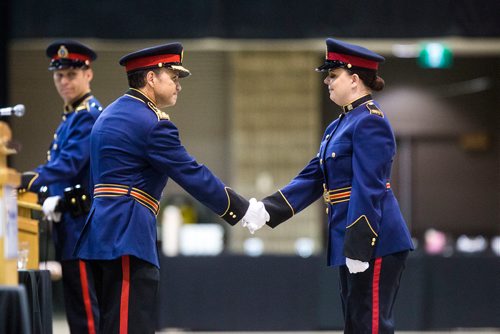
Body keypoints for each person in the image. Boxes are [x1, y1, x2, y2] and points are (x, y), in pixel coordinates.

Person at [73, 42, 268, 334]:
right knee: (129, 325)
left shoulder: (111, 114)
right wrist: (242, 210)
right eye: (173, 78)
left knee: (114, 323)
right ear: (151, 78)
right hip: (127, 233)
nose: (178, 86)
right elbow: (191, 173)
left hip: (103, 231)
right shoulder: (151, 123)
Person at [246, 38, 414, 333]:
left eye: (333, 75)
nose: (327, 81)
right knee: (355, 323)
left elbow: (369, 187)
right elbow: (313, 177)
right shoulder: (338, 125)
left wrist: (360, 244)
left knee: (371, 324)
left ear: (354, 79)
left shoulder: (370, 121)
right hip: (351, 237)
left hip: (374, 239)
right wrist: (267, 210)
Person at [19, 40, 102, 334]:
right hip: (69, 223)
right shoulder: (71, 116)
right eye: (59, 75)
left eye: (71, 75)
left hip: (82, 226)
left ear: (88, 74)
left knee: (85, 311)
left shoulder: (87, 115)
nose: (64, 81)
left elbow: (67, 165)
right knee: (77, 307)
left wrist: (26, 179)